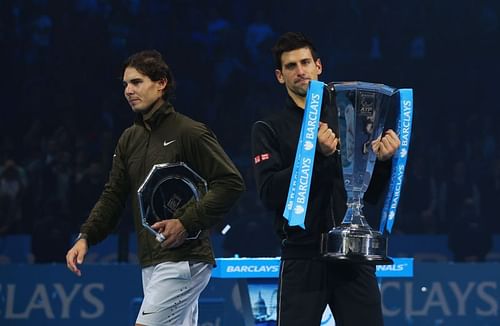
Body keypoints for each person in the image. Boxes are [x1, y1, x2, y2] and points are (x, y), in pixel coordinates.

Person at [66, 50, 245, 326]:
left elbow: (231, 182)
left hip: (185, 259)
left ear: (160, 83)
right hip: (152, 259)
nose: (128, 91)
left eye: (136, 82)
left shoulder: (190, 132)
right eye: (125, 84)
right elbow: (113, 194)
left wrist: (186, 221)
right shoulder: (129, 139)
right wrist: (86, 235)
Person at [251, 32, 400, 326]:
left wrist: (382, 162)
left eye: (305, 62)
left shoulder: (352, 119)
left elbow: (368, 194)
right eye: (291, 66)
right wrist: (317, 156)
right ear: (280, 76)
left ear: (319, 66)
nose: (300, 70)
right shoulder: (268, 128)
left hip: (353, 256)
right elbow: (269, 194)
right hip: (302, 256)